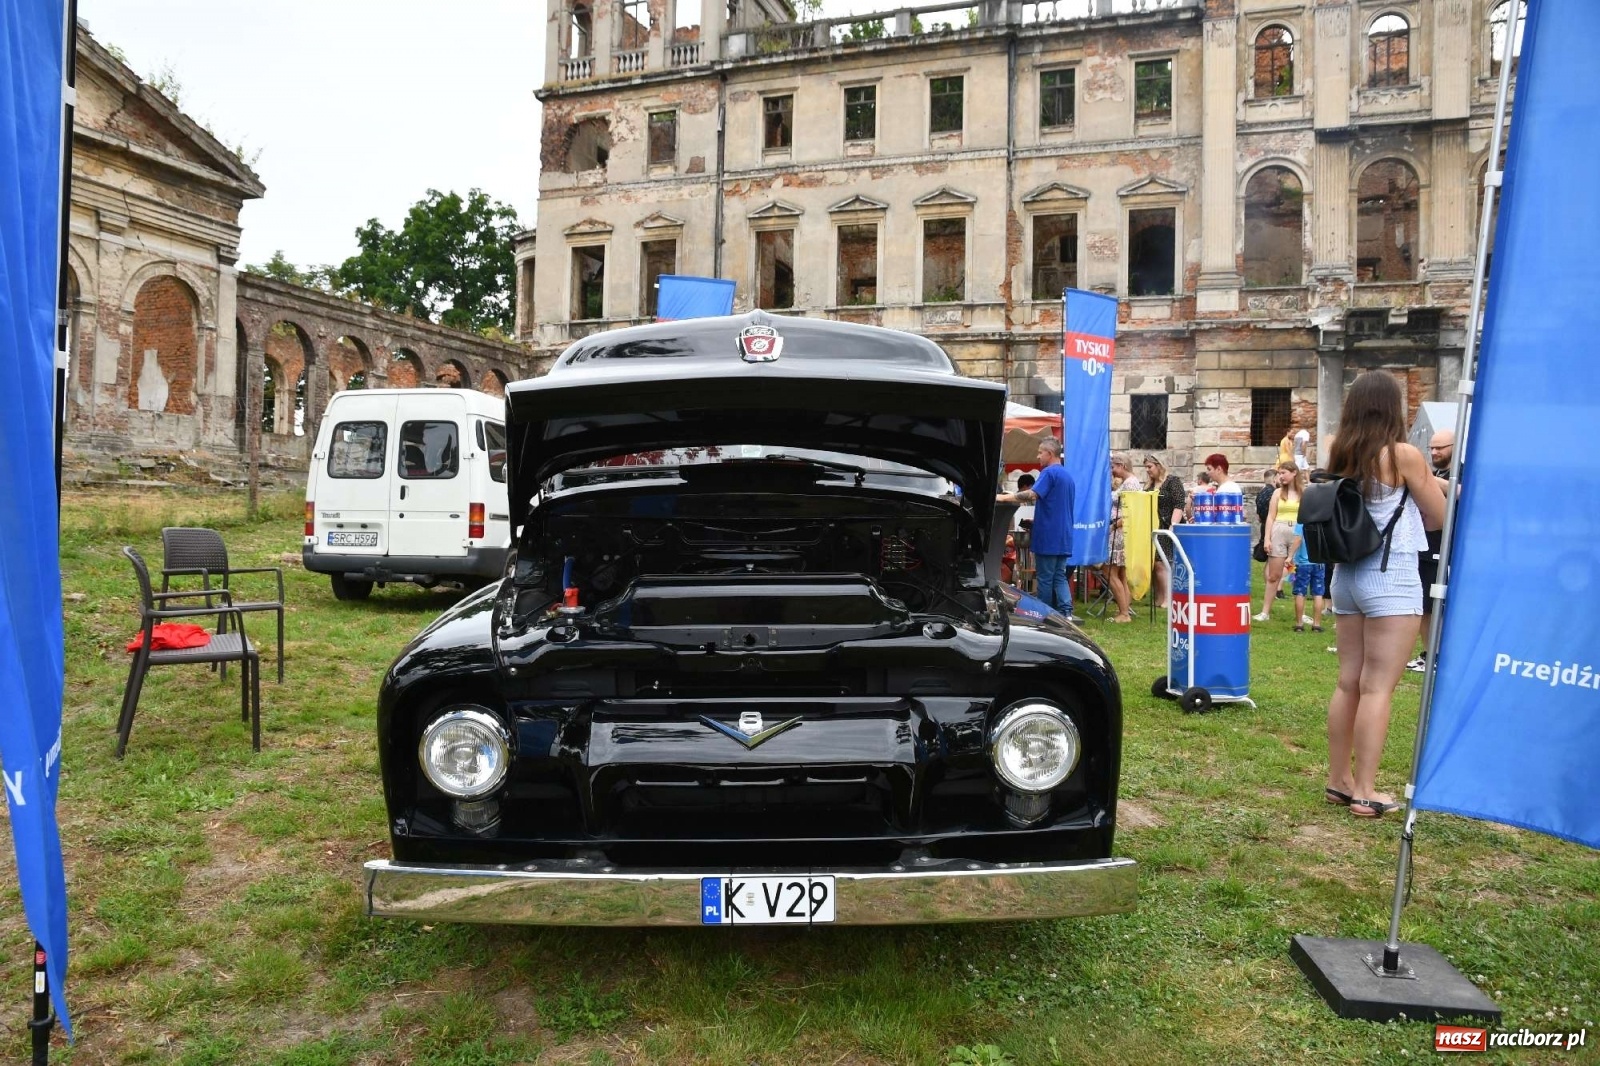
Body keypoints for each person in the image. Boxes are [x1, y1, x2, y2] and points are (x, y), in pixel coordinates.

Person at [1322, 372, 1446, 819]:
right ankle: (1368, 790)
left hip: (1347, 576)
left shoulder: (1340, 449)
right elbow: (1437, 517)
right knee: (1378, 688)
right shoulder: (1404, 455)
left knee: (1348, 681)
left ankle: (1340, 780)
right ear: (1393, 407)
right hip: (1390, 576)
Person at [998, 439, 1074, 617]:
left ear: (1049, 453)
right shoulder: (1067, 476)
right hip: (1064, 534)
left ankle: (1044, 614)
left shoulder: (1048, 473)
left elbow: (1031, 494)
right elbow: (1056, 505)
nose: (1038, 456)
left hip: (1048, 536)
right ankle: (1066, 612)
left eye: (1040, 452)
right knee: (1059, 576)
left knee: (1045, 578)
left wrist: (1003, 498)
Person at [1407, 429, 1455, 672]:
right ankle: (1428, 654)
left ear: (1454, 447)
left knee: (1438, 605)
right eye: (1432, 448)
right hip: (1426, 547)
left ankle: (1440, 655)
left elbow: (1460, 492)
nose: (1435, 452)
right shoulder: (1435, 472)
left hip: (1446, 550)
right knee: (1425, 605)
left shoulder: (1462, 470)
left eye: (1440, 448)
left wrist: (1423, 477)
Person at [1255, 461, 1306, 621]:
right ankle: (1265, 612)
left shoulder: (1304, 492)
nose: (1281, 476)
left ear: (1294, 473)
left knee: (1298, 572)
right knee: (1273, 574)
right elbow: (1270, 516)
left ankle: (1301, 612)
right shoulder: (1277, 493)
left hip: (1297, 532)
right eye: (1279, 473)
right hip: (1279, 531)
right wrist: (1267, 539)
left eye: (1284, 473)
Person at [1143, 455, 1187, 608]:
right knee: (1155, 564)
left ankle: (1169, 598)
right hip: (1152, 527)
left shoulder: (1172, 481)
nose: (1147, 470)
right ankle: (1159, 597)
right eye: (1146, 467)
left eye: (1150, 467)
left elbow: (1179, 504)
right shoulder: (1149, 485)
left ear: (1159, 465)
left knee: (1162, 562)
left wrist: (1173, 525)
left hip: (1167, 527)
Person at [1105, 456, 1134, 622]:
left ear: (1122, 465)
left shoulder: (1129, 484)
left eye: (1113, 467)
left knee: (1110, 570)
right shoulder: (1128, 482)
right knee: (1122, 574)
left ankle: (1124, 613)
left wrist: (1114, 526)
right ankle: (1124, 611)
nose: (1112, 471)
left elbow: (1130, 512)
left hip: (1119, 531)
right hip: (1121, 530)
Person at [1289, 521, 1326, 634]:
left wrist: (1290, 556)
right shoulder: (1322, 522)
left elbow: (1298, 540)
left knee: (1300, 593)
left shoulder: (1302, 522)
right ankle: (1316, 624)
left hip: (1303, 563)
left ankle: (1299, 624)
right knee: (1318, 594)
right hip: (1319, 562)